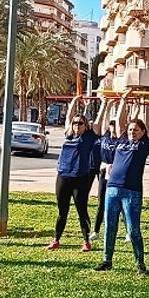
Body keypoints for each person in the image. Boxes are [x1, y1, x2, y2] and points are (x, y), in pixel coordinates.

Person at [100, 93, 149, 273]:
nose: (132, 132)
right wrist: (122, 101)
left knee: (133, 229)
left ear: (143, 132)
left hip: (132, 191)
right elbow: (120, 120)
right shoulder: (121, 139)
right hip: (113, 188)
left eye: (136, 130)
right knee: (110, 226)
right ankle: (107, 260)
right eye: (130, 130)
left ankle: (140, 264)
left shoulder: (144, 143)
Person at [47, 96, 100, 251]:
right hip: (63, 176)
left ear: (85, 126)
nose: (77, 125)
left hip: (80, 178)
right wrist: (75, 101)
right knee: (62, 211)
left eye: (80, 123)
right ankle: (56, 239)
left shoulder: (89, 138)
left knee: (81, 210)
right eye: (75, 123)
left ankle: (86, 241)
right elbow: (69, 117)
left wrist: (103, 104)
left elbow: (98, 122)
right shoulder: (68, 135)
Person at [85, 97, 113, 251]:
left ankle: (98, 228)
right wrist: (103, 105)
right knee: (90, 198)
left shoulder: (106, 136)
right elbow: (92, 120)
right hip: (92, 168)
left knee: (106, 200)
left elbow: (105, 119)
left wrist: (106, 105)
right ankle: (92, 228)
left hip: (105, 169)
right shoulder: (90, 134)